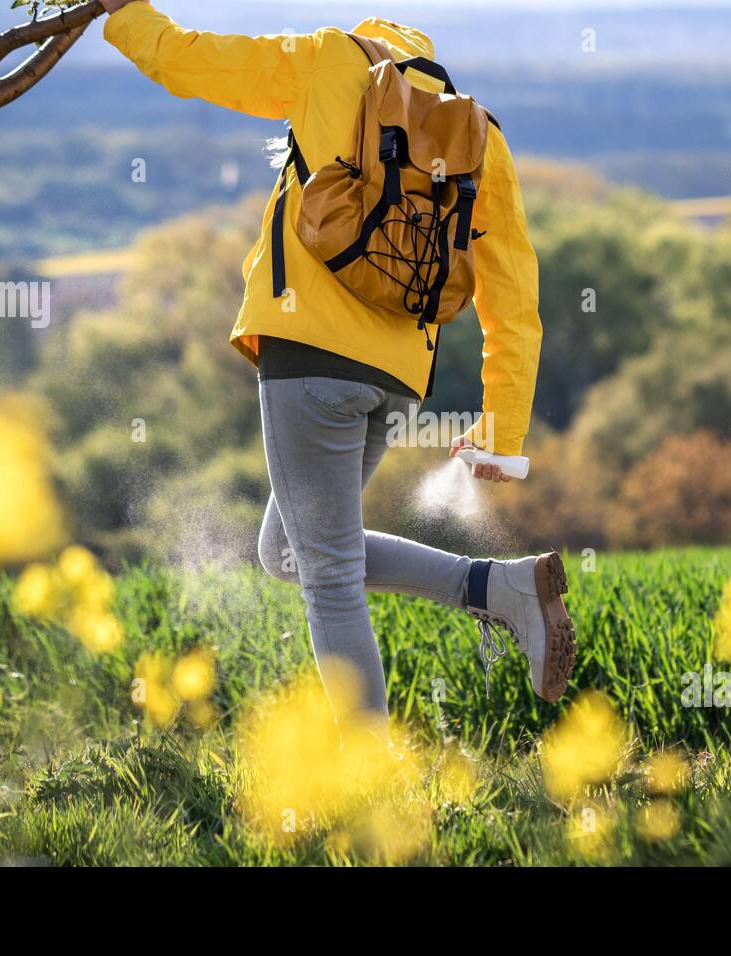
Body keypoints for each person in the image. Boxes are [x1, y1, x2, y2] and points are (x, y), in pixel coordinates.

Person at [98, 0, 575, 723]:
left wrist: (127, 12)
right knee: (288, 551)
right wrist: (501, 433)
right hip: (396, 379)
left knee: (326, 577)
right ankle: (495, 589)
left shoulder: (327, 59)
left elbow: (188, 58)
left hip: (310, 355)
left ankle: (369, 782)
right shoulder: (479, 135)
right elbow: (514, 302)